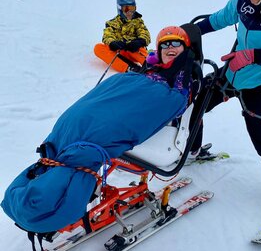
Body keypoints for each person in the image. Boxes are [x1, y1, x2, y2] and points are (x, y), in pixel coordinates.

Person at [1, 25, 199, 243]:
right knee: (70, 128)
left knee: (83, 143)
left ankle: (57, 197)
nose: (170, 48)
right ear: (158, 50)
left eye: (176, 44)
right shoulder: (149, 70)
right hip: (106, 109)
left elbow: (172, 101)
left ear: (186, 50)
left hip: (142, 116)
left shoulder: (183, 76)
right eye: (165, 44)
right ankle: (51, 180)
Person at [191, 0, 261, 218]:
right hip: (230, 74)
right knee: (196, 102)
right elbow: (218, 20)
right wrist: (189, 32)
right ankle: (193, 149)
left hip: (259, 85)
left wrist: (253, 55)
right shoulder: (241, 1)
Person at [94, 0, 151, 72]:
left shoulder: (138, 22)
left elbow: (144, 33)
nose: (129, 12)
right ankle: (128, 68)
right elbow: (107, 35)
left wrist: (140, 41)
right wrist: (113, 43)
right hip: (119, 52)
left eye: (132, 8)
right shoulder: (112, 23)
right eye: (126, 9)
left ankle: (149, 66)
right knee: (98, 48)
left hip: (133, 50)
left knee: (140, 49)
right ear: (120, 8)